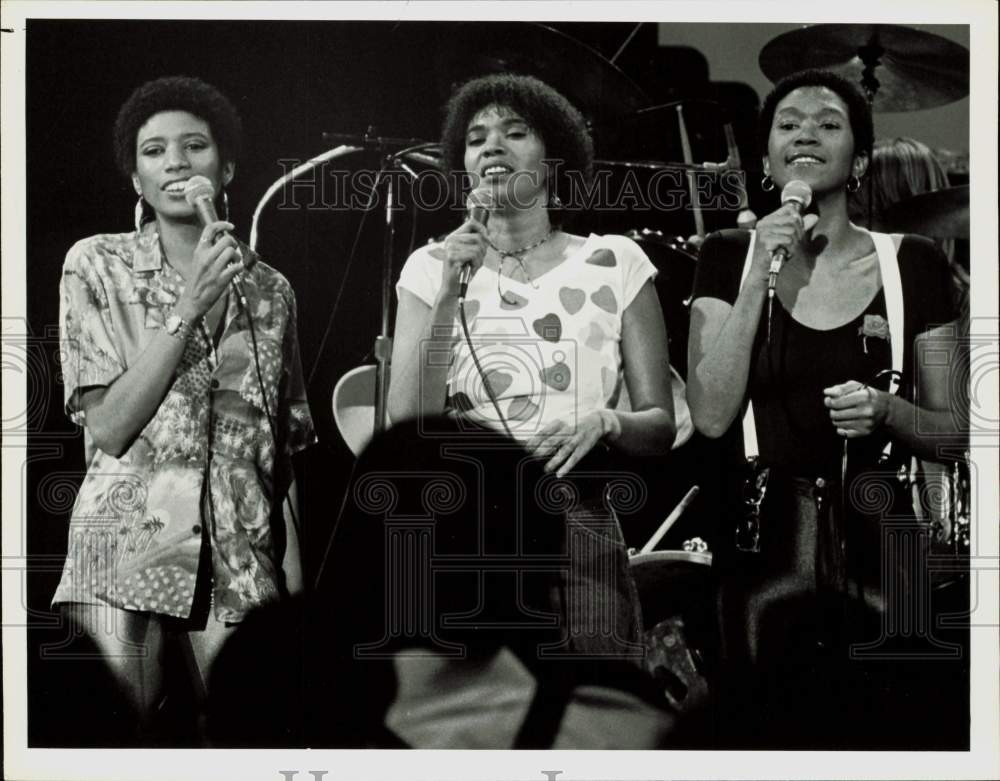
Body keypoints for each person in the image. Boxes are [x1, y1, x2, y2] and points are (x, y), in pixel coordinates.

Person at [686, 70, 959, 747]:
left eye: (828, 123)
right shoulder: (726, 257)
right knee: (766, 733)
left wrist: (888, 409)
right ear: (767, 157)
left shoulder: (915, 264)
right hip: (765, 546)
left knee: (894, 734)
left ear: (859, 159)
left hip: (886, 541)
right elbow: (712, 413)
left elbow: (954, 431)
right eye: (788, 123)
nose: (805, 131)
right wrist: (759, 270)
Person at [53, 76, 315, 743]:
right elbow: (109, 423)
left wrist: (294, 590)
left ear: (224, 168)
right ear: (136, 178)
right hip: (129, 535)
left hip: (241, 552)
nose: (176, 162)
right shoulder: (97, 264)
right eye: (155, 151)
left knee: (252, 740)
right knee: (114, 740)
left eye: (194, 146)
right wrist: (188, 306)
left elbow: (278, 452)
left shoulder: (271, 290)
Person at [388, 73, 676, 663]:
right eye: (476, 138)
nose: (492, 146)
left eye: (515, 133)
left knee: (597, 715)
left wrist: (608, 423)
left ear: (552, 159)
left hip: (580, 517)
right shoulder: (429, 268)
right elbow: (407, 418)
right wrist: (448, 294)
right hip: (468, 519)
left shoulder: (615, 262)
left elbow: (660, 424)